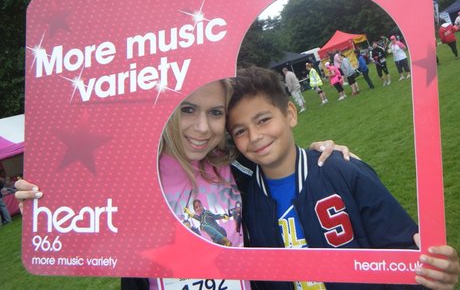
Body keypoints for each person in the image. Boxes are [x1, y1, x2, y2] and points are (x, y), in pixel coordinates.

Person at [15, 78, 353, 289]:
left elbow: (283, 168)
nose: (202, 127)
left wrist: (322, 151)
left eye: (216, 113)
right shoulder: (128, 172)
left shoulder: (237, 166)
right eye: (188, 109)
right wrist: (42, 197)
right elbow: (76, 221)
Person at [226, 66, 460, 290]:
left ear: (290, 114)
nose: (255, 136)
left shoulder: (344, 171)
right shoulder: (242, 201)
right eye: (240, 131)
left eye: (263, 120)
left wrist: (432, 273)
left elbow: (404, 253)